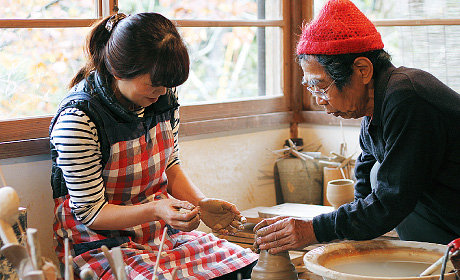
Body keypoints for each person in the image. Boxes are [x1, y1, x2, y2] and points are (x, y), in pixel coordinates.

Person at [49, 12, 258, 279]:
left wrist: (200, 204)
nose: (161, 93)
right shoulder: (79, 120)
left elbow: (170, 166)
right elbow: (91, 213)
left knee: (247, 266)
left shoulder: (162, 96)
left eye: (167, 86)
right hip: (99, 247)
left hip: (159, 236)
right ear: (118, 69)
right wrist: (157, 209)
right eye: (154, 85)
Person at [254, 0, 460, 255]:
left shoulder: (408, 98)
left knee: (387, 181)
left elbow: (391, 200)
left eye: (321, 86)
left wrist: (314, 229)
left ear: (362, 70)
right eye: (311, 88)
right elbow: (364, 186)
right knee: (376, 174)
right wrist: (344, 238)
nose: (318, 99)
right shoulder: (374, 109)